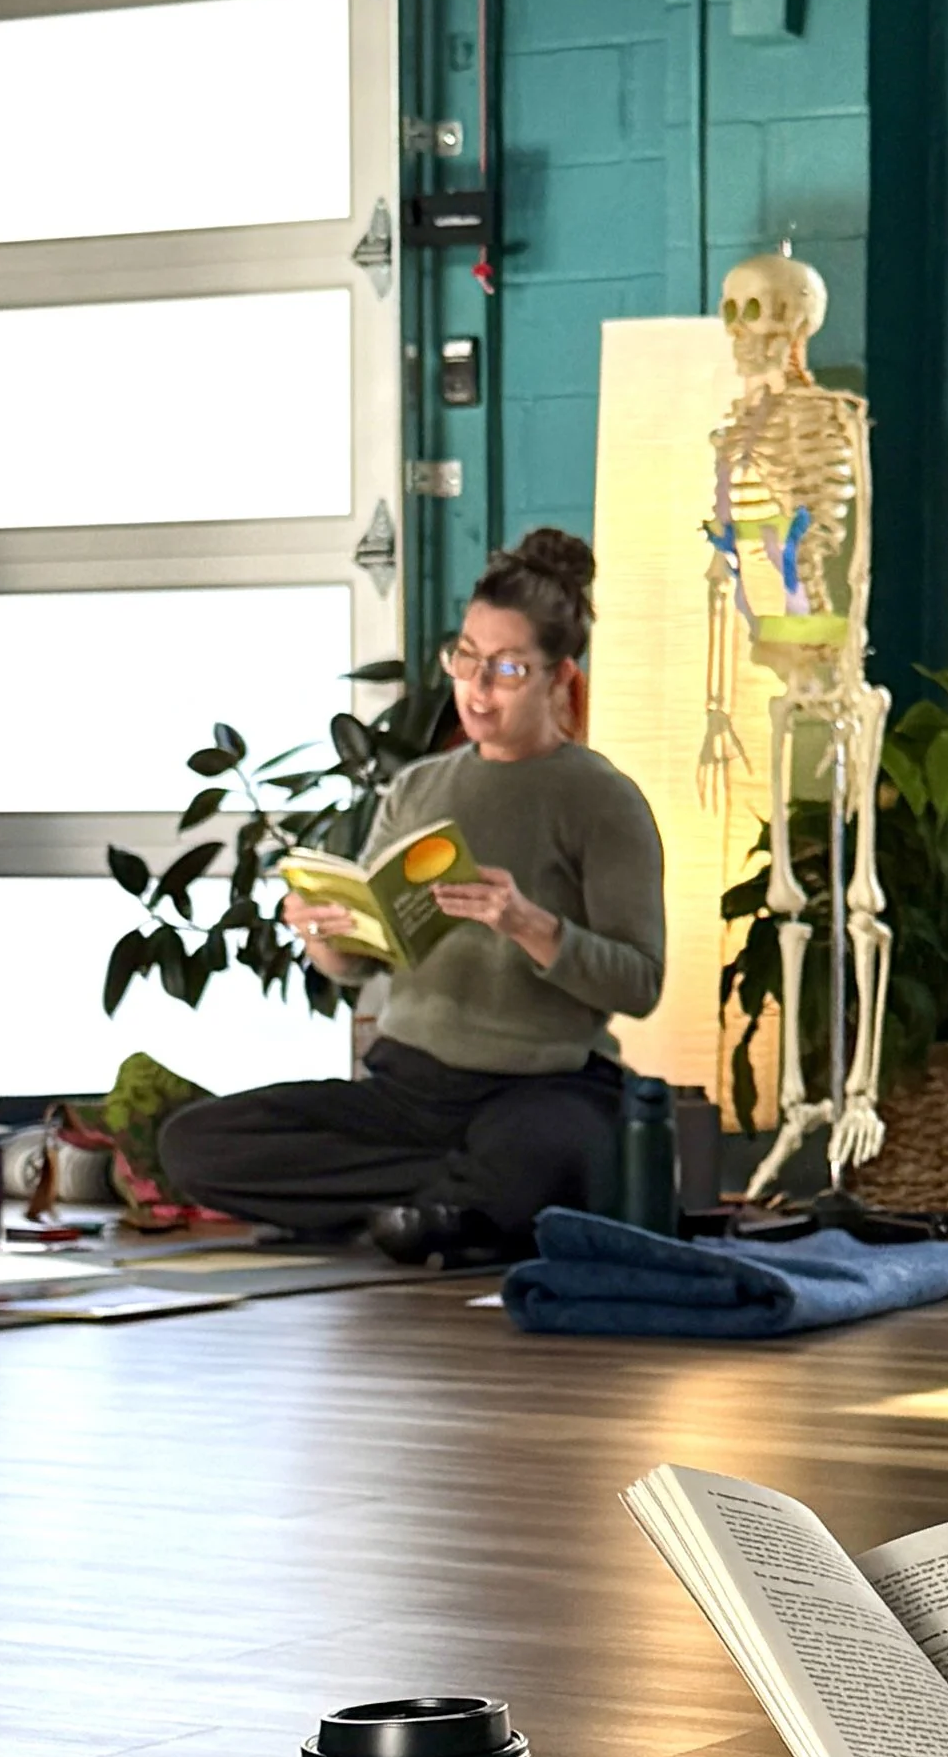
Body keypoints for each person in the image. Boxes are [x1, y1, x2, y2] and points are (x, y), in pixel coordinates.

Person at [162, 530, 665, 1264]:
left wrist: (530, 925)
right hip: (407, 1093)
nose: (478, 688)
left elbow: (639, 983)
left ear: (560, 677)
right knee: (194, 1143)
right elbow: (361, 965)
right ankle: (443, 1206)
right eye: (466, 657)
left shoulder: (603, 799)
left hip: (542, 1088)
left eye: (508, 668)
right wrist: (327, 935)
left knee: (554, 1150)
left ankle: (427, 1204)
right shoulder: (418, 787)